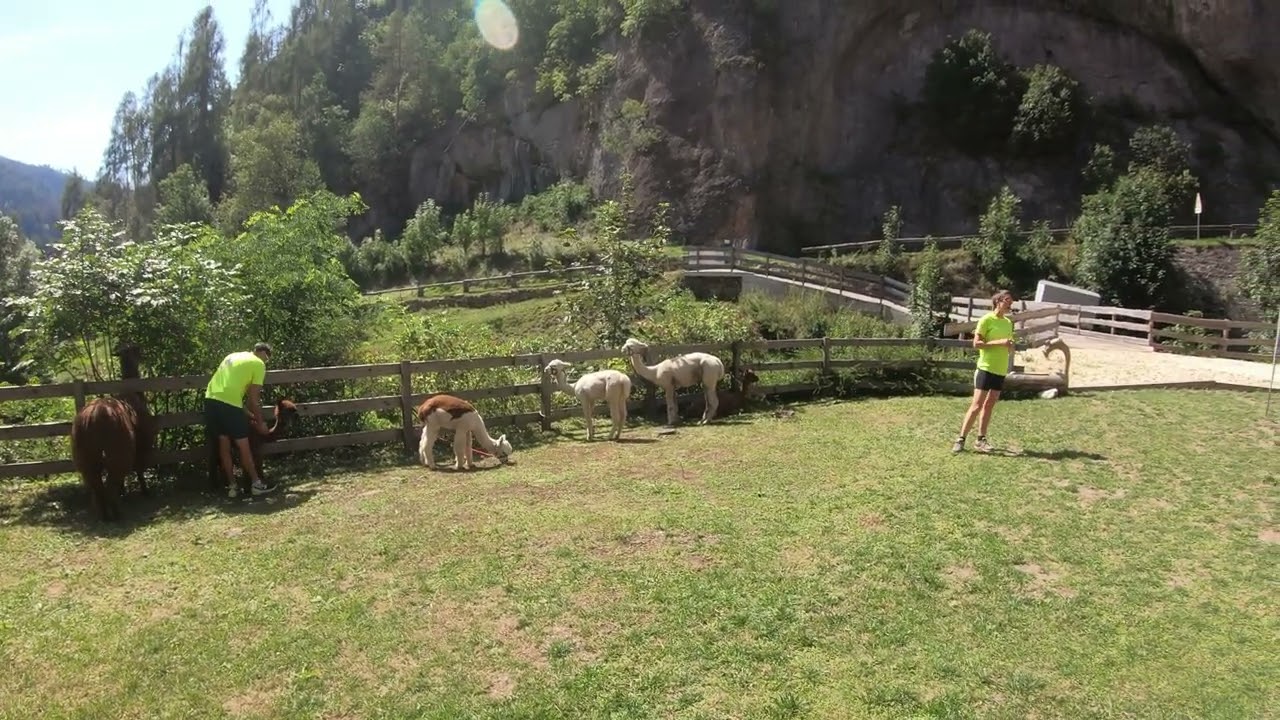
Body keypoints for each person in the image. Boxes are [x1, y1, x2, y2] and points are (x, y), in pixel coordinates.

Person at [205, 342, 278, 496]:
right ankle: (256, 484)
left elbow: (231, 393)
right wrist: (260, 423)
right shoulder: (258, 364)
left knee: (224, 444)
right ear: (264, 353)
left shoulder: (232, 356)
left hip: (211, 401)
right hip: (229, 405)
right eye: (267, 359)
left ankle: (232, 486)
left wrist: (250, 416)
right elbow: (253, 400)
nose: (266, 362)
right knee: (243, 446)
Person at [952, 290, 1016, 453]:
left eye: (1011, 302)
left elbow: (1008, 344)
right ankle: (961, 439)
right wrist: (999, 342)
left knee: (989, 405)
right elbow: (977, 344)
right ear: (998, 301)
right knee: (976, 405)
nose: (1010, 304)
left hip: (1000, 369)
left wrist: (1009, 346)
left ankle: (981, 440)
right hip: (986, 368)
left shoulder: (1008, 322)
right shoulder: (986, 320)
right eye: (1007, 300)